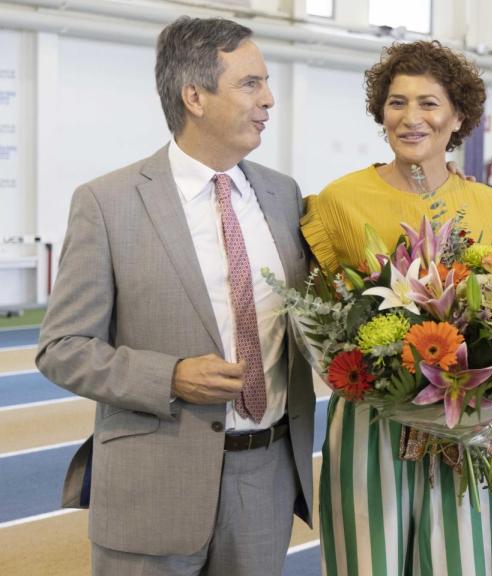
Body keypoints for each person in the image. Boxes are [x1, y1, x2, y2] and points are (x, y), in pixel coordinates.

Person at [36, 17, 314, 575]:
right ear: (195, 97)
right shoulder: (107, 203)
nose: (269, 99)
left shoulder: (283, 196)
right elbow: (61, 347)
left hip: (265, 479)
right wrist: (170, 376)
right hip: (152, 482)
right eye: (250, 84)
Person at [301, 40, 492, 575]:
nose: (411, 117)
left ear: (458, 117)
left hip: (460, 418)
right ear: (381, 113)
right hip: (370, 417)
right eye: (397, 102)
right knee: (367, 563)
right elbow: (319, 309)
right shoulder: (339, 201)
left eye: (428, 103)